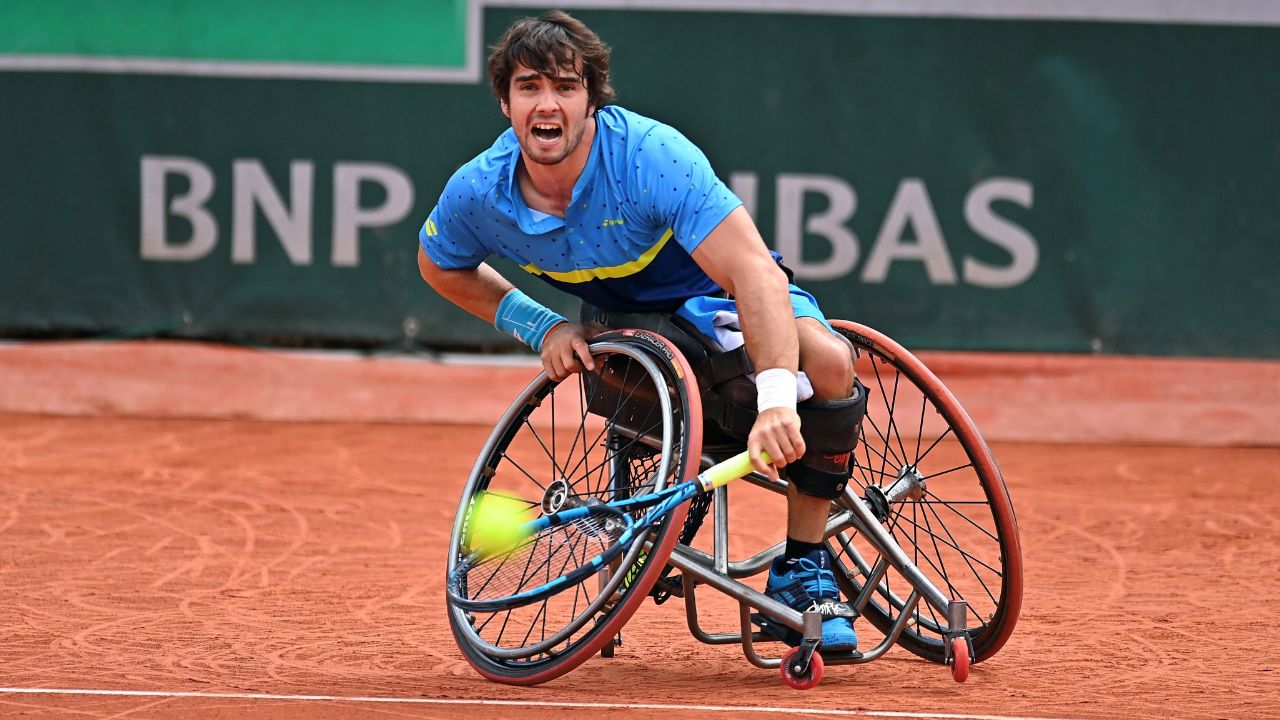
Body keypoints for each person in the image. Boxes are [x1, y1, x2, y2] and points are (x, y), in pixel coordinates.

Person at [417, 10, 864, 653]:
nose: (548, 104)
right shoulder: (479, 193)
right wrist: (539, 325)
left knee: (826, 362)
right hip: (625, 330)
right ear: (506, 102)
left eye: (566, 87)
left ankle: (801, 565)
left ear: (591, 99)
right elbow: (439, 264)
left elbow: (752, 270)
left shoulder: (651, 157)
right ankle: (643, 520)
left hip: (714, 298)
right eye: (529, 86)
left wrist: (773, 400)